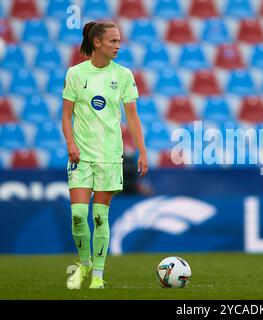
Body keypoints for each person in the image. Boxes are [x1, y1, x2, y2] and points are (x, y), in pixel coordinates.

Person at [62, 21, 148, 289]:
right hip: (81, 156)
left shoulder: (123, 75)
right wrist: (70, 143)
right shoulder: (75, 74)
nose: (118, 46)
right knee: (78, 215)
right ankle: (85, 264)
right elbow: (66, 115)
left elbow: (132, 117)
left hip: (110, 156)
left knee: (100, 216)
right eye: (113, 41)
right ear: (97, 42)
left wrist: (143, 151)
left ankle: (97, 275)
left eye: (119, 41)